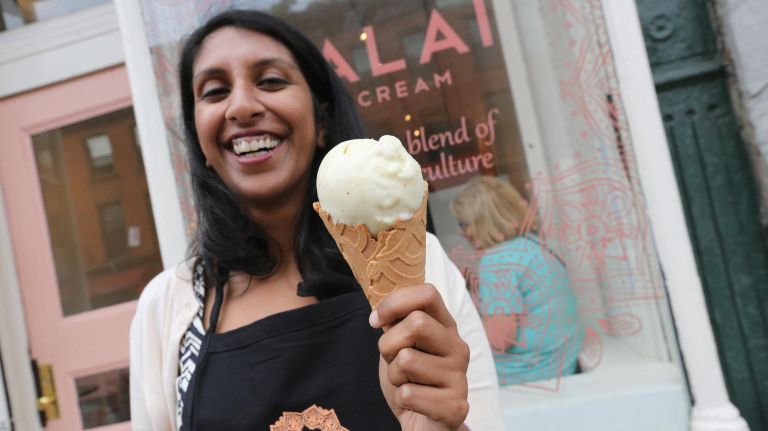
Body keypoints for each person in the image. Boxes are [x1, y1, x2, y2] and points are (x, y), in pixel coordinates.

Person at [129, 9, 505, 431]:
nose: (242, 106)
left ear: (321, 118)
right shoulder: (166, 310)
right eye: (215, 91)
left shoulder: (424, 274)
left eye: (271, 80)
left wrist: (437, 425)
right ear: (199, 139)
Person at [451, 176, 583, 386]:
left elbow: (500, 340)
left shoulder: (496, 261)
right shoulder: (536, 245)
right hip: (564, 365)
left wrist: (462, 306)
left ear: (482, 220)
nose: (462, 232)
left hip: (527, 378)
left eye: (464, 223)